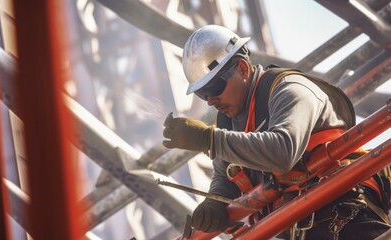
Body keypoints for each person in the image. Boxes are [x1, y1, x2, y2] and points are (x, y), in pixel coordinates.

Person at [162, 25, 391, 240]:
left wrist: (208, 139)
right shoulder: (228, 124)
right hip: (295, 226)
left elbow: (282, 151)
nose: (211, 101)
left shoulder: (289, 89)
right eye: (203, 94)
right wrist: (213, 204)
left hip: (339, 208)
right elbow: (227, 178)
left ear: (242, 68)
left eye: (214, 88)